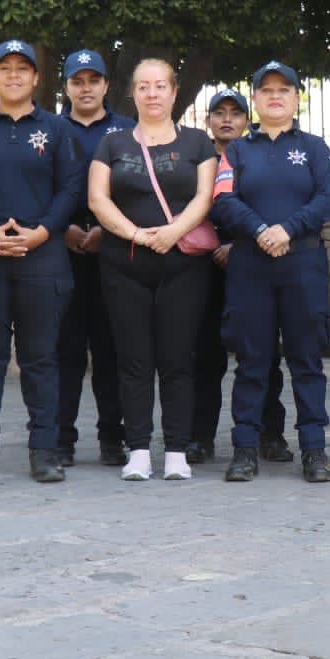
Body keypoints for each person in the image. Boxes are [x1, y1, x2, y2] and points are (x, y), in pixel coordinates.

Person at [0, 40, 82, 485]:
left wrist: (41, 232)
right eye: (5, 68)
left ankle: (45, 450)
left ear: (36, 78)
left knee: (40, 358)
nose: (14, 76)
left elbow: (70, 188)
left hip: (42, 257)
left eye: (23, 69)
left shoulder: (58, 131)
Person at [89, 58, 217, 480]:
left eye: (160, 86)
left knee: (179, 358)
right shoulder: (112, 143)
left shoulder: (198, 142)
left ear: (174, 92)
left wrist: (172, 232)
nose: (152, 94)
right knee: (133, 360)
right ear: (133, 93)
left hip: (183, 265)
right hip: (124, 264)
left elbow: (204, 197)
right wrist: (138, 235)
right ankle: (139, 449)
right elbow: (98, 199)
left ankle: (177, 450)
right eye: (143, 86)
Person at [212, 61, 330, 483]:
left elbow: (327, 197)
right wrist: (261, 229)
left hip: (302, 262)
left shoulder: (316, 147)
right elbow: (224, 199)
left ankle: (314, 450)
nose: (275, 96)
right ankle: (245, 448)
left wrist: (288, 228)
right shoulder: (237, 151)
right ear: (256, 100)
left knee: (306, 359)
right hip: (251, 264)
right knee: (252, 361)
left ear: (296, 97)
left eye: (283, 89)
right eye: (265, 90)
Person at [190, 88, 289, 465]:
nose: (227, 118)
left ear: (248, 120)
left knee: (262, 354)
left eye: (236, 112)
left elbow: (271, 208)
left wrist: (240, 245)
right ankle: (200, 437)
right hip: (203, 269)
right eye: (219, 112)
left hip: (253, 262)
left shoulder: (258, 157)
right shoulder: (195, 159)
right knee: (204, 355)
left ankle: (271, 433)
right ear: (208, 120)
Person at [55, 49, 133, 467]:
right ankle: (61, 440)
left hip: (114, 253)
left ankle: (112, 439)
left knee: (111, 351)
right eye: (77, 81)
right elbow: (40, 188)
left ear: (106, 85)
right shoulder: (49, 129)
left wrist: (109, 229)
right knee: (64, 352)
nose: (85, 88)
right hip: (61, 253)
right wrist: (61, 227)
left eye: (93, 80)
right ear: (66, 86)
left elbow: (141, 190)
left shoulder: (127, 130)